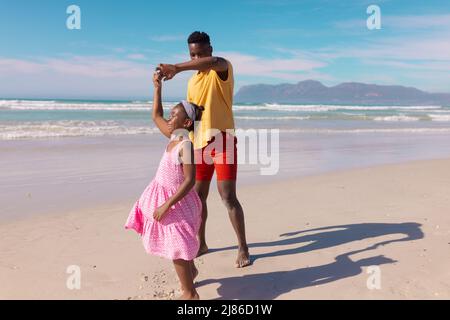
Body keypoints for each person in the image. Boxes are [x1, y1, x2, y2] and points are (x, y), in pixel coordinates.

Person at [157, 31, 251, 268]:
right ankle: (201, 243)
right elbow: (192, 118)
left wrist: (177, 67)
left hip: (222, 141)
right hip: (199, 144)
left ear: (210, 50)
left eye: (200, 53)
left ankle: (243, 247)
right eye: (192, 54)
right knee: (198, 198)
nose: (197, 57)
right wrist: (183, 143)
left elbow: (212, 63)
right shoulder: (192, 82)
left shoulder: (222, 69)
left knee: (228, 196)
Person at [125, 71, 204, 300]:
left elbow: (190, 181)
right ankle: (191, 272)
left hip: (178, 203)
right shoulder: (173, 136)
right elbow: (156, 115)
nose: (169, 118)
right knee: (177, 244)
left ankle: (190, 294)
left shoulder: (185, 146)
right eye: (170, 114)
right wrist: (157, 87)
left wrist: (166, 205)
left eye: (174, 115)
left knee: (178, 245)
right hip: (165, 198)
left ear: (186, 122)